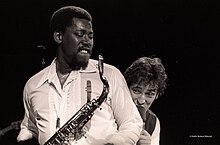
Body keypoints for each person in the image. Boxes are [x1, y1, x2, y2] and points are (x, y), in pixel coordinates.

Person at [17, 5, 143, 145]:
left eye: (90, 36)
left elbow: (132, 123)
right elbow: (30, 128)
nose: (87, 41)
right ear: (59, 36)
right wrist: (25, 137)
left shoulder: (109, 74)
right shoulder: (33, 84)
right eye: (79, 34)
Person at [124, 56, 168, 145]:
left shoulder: (153, 122)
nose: (141, 100)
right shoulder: (109, 112)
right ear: (126, 88)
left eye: (149, 94)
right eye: (136, 91)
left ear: (157, 95)